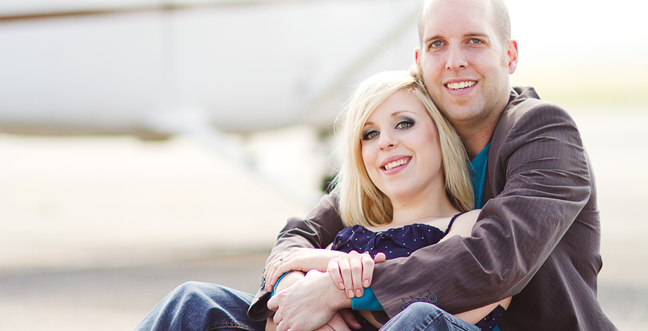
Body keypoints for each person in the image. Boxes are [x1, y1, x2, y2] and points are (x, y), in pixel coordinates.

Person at [134, 0, 617, 331]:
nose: (454, 61)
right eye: (437, 45)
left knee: (417, 321)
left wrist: (342, 290)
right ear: (419, 60)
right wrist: (297, 296)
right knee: (194, 304)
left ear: (509, 55)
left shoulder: (542, 131)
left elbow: (492, 261)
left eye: (474, 41)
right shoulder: (418, 134)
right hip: (374, 319)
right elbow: (306, 228)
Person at [137, 69, 509, 331]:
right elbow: (284, 315)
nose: (386, 141)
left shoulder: (472, 225)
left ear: (440, 133)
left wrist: (329, 279)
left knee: (417, 319)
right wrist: (310, 306)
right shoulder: (351, 228)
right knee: (194, 301)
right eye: (369, 134)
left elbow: (463, 300)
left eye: (404, 123)